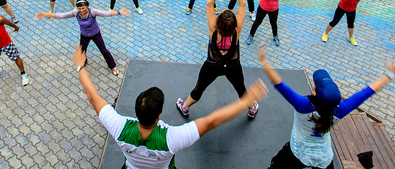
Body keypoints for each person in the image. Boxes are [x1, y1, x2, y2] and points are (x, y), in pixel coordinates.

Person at [73, 42, 267, 169]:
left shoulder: (119, 128)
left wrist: (80, 67)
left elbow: (93, 97)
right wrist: (244, 101)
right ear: (159, 115)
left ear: (136, 112)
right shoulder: (171, 139)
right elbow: (211, 122)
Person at [259, 47, 395, 169]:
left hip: (299, 154)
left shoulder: (304, 105)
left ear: (315, 91)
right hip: (324, 158)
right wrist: (390, 75)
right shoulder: (340, 109)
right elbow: (367, 92)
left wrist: (264, 61)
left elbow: (278, 83)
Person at [176, 0, 264, 118]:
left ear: (218, 22)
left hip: (212, 65)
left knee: (199, 88)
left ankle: (185, 107)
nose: (225, 9)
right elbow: (242, 4)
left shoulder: (213, 29)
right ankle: (251, 109)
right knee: (241, 90)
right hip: (233, 66)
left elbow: (210, 3)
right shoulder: (237, 30)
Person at [35, 0, 127, 76]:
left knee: (103, 50)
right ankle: (82, 63)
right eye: (79, 8)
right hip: (84, 35)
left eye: (83, 8)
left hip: (96, 34)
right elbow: (62, 15)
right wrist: (47, 14)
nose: (81, 10)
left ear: (87, 6)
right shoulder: (76, 13)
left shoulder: (92, 11)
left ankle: (113, 66)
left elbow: (105, 13)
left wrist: (119, 12)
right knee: (82, 51)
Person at [315, 0, 392, 46]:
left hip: (352, 10)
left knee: (351, 24)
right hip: (341, 8)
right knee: (334, 22)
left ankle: (350, 37)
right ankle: (325, 33)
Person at [242, 0, 317, 46]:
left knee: (274, 23)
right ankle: (251, 35)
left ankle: (275, 36)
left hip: (274, 9)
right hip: (263, 8)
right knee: (257, 22)